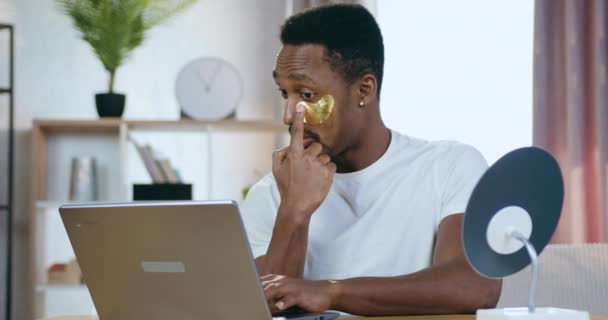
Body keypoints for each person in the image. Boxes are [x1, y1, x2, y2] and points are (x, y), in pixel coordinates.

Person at [241, 3, 501, 316]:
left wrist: (332, 291)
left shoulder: (449, 166)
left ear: (364, 89)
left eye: (307, 95)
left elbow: (474, 286)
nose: (287, 116)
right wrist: (294, 211)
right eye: (285, 93)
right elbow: (264, 309)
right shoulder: (272, 192)